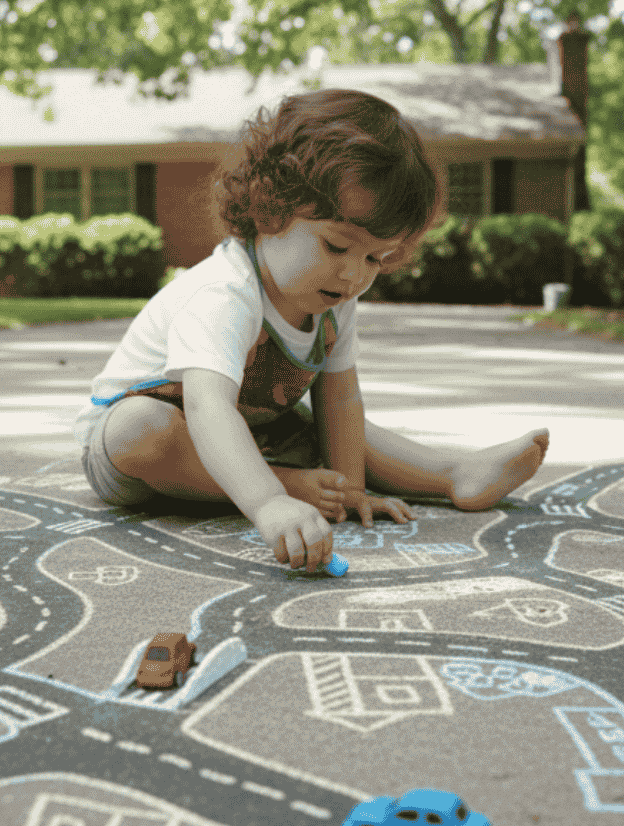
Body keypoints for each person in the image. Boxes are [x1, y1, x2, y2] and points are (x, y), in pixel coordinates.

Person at [74, 89, 548, 572]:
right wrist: (270, 501)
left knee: (334, 428)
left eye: (373, 259)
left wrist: (350, 489)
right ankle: (285, 486)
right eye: (336, 246)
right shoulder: (224, 293)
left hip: (257, 432)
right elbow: (206, 407)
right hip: (142, 456)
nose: (354, 274)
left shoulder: (335, 296)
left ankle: (452, 473)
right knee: (140, 427)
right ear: (269, 207)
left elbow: (339, 397)